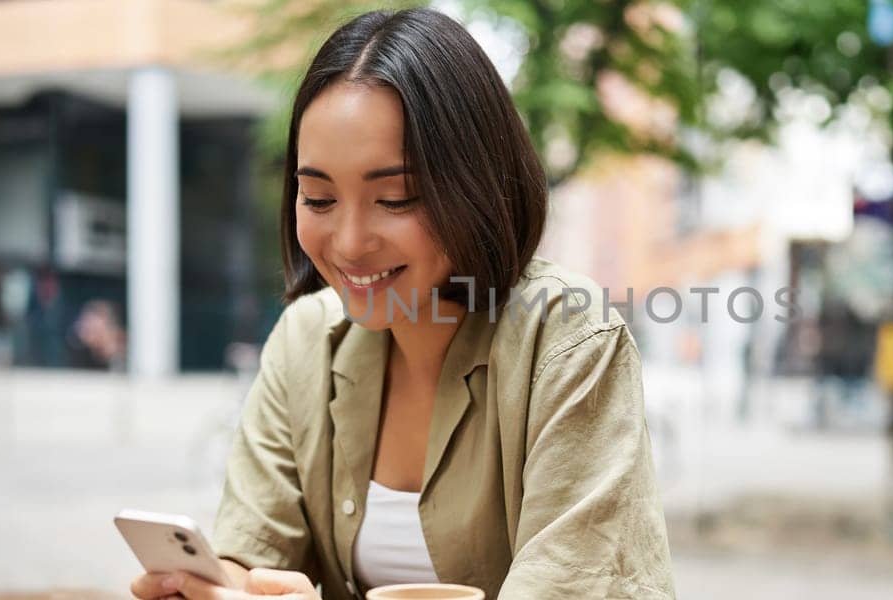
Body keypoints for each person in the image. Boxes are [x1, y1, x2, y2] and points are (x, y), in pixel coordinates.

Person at [129, 8, 673, 600]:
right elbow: (251, 552)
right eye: (318, 198)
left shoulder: (568, 342)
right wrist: (213, 587)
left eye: (394, 198)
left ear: (474, 185)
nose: (350, 243)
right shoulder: (305, 340)